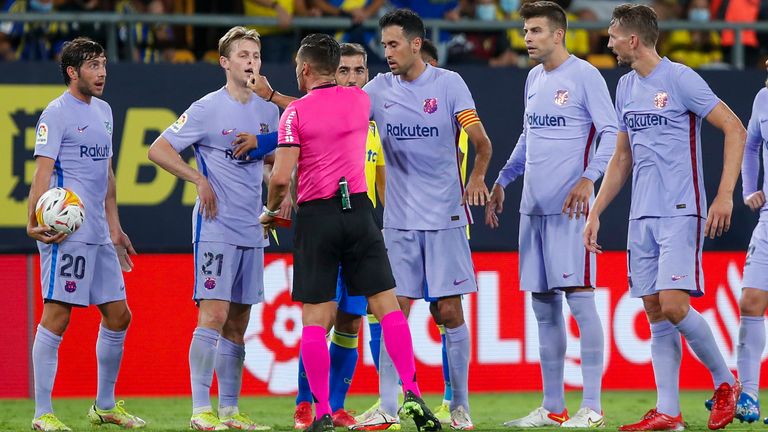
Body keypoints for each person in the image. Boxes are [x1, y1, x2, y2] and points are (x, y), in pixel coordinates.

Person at [260, 33, 441, 432]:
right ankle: (411, 393)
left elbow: (279, 178)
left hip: (318, 216)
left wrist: (272, 211)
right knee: (388, 307)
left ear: (305, 69)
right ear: (333, 68)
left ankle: (321, 410)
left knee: (315, 317)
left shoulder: (295, 114)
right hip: (360, 211)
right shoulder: (361, 101)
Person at [583, 4, 746, 430]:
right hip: (642, 215)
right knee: (655, 309)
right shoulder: (624, 88)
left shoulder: (680, 78)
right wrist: (596, 211)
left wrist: (724, 195)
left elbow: (735, 129)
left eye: (613, 35)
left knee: (674, 305)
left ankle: (727, 382)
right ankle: (670, 412)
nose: (609, 41)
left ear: (633, 40)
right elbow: (622, 158)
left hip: (680, 209)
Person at [484, 1, 616, 428]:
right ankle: (554, 406)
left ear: (558, 34)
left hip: (571, 211)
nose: (527, 38)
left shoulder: (585, 76)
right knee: (543, 309)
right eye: (526, 30)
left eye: (536, 30)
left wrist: (589, 177)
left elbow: (612, 132)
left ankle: (592, 407)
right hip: (533, 210)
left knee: (580, 301)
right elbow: (529, 134)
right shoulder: (533, 78)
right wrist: (504, 179)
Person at [244, 42, 389, 430]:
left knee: (350, 323)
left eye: (361, 71)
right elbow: (308, 117)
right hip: (328, 224)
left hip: (360, 230)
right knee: (318, 321)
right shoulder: (347, 112)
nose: (353, 78)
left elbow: (383, 184)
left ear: (368, 77)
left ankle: (336, 407)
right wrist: (264, 138)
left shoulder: (370, 122)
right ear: (334, 73)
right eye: (346, 71)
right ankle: (306, 404)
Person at [362, 9, 494, 431]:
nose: (387, 52)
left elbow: (481, 141)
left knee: (448, 312)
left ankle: (458, 408)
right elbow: (330, 113)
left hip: (445, 218)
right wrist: (278, 104)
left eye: (394, 44)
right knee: (392, 311)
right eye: (383, 45)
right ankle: (387, 405)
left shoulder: (449, 84)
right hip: (398, 221)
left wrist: (475, 176)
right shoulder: (378, 89)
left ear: (417, 44)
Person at [147, 26, 279, 431]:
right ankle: (200, 410)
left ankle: (229, 411)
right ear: (224, 62)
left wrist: (278, 189)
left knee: (239, 322)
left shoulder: (268, 110)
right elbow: (158, 148)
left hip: (252, 226)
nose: (250, 62)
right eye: (242, 55)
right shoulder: (206, 108)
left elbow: (272, 163)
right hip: (216, 225)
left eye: (255, 55)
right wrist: (197, 179)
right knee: (214, 314)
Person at [26, 37, 145, 432]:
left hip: (98, 231)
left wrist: (115, 227)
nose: (103, 73)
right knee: (57, 316)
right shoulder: (56, 113)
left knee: (118, 315)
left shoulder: (106, 111)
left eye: (104, 64)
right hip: (67, 232)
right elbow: (42, 174)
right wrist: (32, 222)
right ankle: (43, 414)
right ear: (72, 72)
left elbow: (107, 175)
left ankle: (105, 406)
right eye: (94, 65)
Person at [726, 59, 768, 424]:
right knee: (751, 300)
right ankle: (749, 394)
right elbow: (751, 144)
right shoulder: (763, 99)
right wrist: (751, 188)